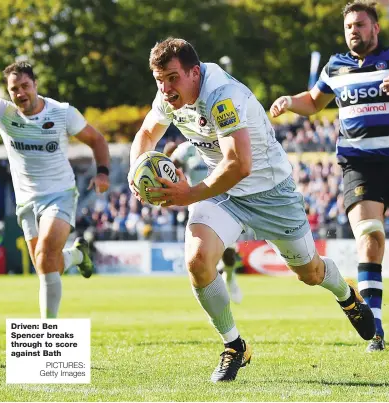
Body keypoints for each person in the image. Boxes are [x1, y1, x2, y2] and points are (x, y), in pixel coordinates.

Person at [128, 37, 375, 382]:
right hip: (222, 194)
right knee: (198, 261)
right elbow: (146, 134)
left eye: (172, 78)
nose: (166, 88)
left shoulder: (222, 96)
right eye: (160, 80)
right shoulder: (168, 95)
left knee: (311, 273)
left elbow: (239, 165)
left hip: (270, 193)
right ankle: (234, 346)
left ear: (194, 72)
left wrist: (189, 194)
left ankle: (346, 295)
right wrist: (135, 171)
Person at [270, 0, 389, 352]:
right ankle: (375, 327)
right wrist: (288, 101)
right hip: (359, 164)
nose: (354, 30)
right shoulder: (335, 67)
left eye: (360, 24)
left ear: (376, 28)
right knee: (370, 238)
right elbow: (313, 102)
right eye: (349, 26)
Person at [0, 62, 110, 318]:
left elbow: (97, 139)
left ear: (35, 85)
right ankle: (76, 256)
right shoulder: (2, 112)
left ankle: (48, 329)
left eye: (25, 86)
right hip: (25, 201)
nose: (20, 93)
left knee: (45, 255)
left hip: (60, 194)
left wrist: (103, 173)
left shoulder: (62, 113)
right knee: (46, 265)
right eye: (14, 89)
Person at [163, 140, 243, 304]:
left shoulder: (223, 142)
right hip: (198, 205)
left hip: (225, 201)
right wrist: (165, 161)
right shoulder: (186, 149)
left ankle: (229, 275)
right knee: (203, 254)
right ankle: (216, 295)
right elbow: (169, 168)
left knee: (228, 252)